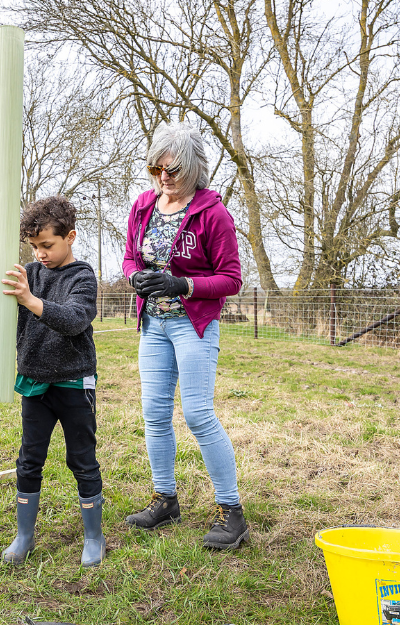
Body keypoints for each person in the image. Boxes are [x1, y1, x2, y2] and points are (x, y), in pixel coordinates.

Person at [121, 121, 248, 550]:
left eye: (171, 170)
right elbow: (127, 258)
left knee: (197, 413)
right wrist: (136, 276)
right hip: (153, 326)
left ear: (193, 167)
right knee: (154, 414)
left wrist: (184, 285)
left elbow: (232, 279)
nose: (163, 178)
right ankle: (165, 499)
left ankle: (231, 512)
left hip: (193, 324)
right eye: (156, 169)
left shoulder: (213, 213)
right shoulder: (143, 206)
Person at [0, 196, 104, 567]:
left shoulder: (82, 276)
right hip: (34, 383)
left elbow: (75, 319)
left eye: (47, 245)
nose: (40, 254)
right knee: (29, 460)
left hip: (74, 383)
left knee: (82, 460)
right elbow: (2, 310)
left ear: (70, 237)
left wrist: (30, 299)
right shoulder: (28, 272)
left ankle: (93, 537)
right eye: (34, 247)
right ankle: (24, 536)